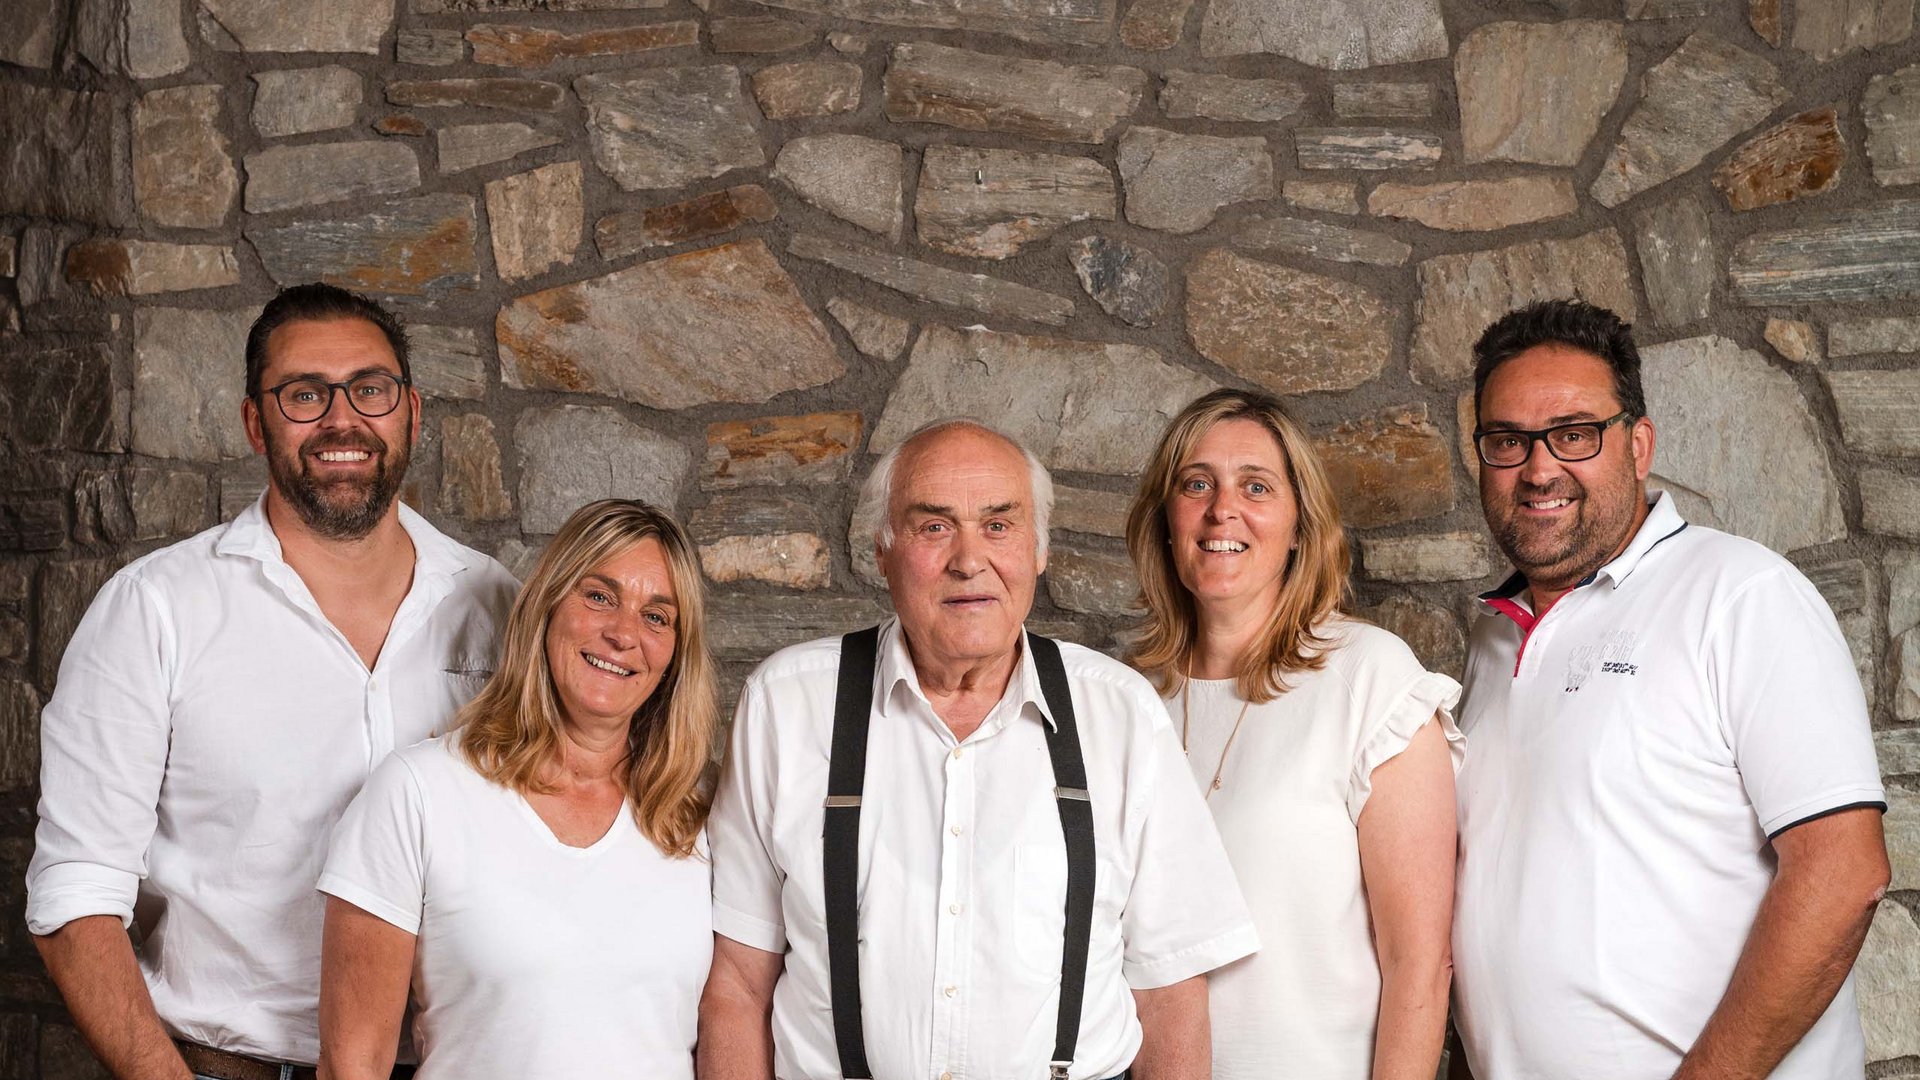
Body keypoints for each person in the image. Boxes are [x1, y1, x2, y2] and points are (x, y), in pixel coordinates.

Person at [25, 283, 518, 1080]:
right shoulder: (156, 609)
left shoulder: (496, 604)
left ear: (411, 414)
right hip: (233, 1065)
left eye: (370, 388)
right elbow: (74, 896)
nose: (342, 419)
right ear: (255, 422)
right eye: (303, 394)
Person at [700, 419, 1258, 1080]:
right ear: (882, 549)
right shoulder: (788, 704)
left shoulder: (1119, 714)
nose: (970, 559)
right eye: (934, 526)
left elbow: (1170, 999)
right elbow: (737, 987)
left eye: (999, 525)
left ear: (1038, 550)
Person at [1451, 300, 1891, 1079]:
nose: (1540, 468)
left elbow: (1842, 871)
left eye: (1575, 434)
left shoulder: (1742, 595)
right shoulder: (1494, 639)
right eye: (1507, 441)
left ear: (1639, 444)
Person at [1122, 388, 1462, 1080]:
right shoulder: (1126, 699)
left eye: (1256, 486)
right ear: (1165, 519)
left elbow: (1419, 967)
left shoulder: (1370, 679)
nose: (1223, 509)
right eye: (1196, 484)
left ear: (1301, 525)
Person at [315, 499, 719, 1080]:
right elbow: (352, 1064)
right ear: (547, 605)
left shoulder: (698, 819)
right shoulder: (419, 794)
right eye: (599, 595)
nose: (624, 633)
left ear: (676, 654)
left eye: (658, 616)